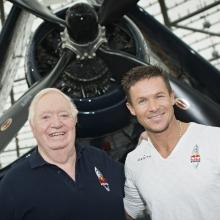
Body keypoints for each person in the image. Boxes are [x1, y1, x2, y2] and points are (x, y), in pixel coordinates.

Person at [0, 88, 126, 220]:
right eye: (45, 117)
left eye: (64, 115)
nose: (56, 123)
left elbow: (136, 196)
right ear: (32, 127)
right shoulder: (12, 185)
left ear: (75, 120)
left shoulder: (99, 159)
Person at [121, 65, 220, 220]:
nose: (153, 107)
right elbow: (130, 211)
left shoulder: (214, 140)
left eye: (159, 96)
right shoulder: (134, 161)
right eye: (142, 101)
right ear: (131, 108)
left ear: (172, 97)